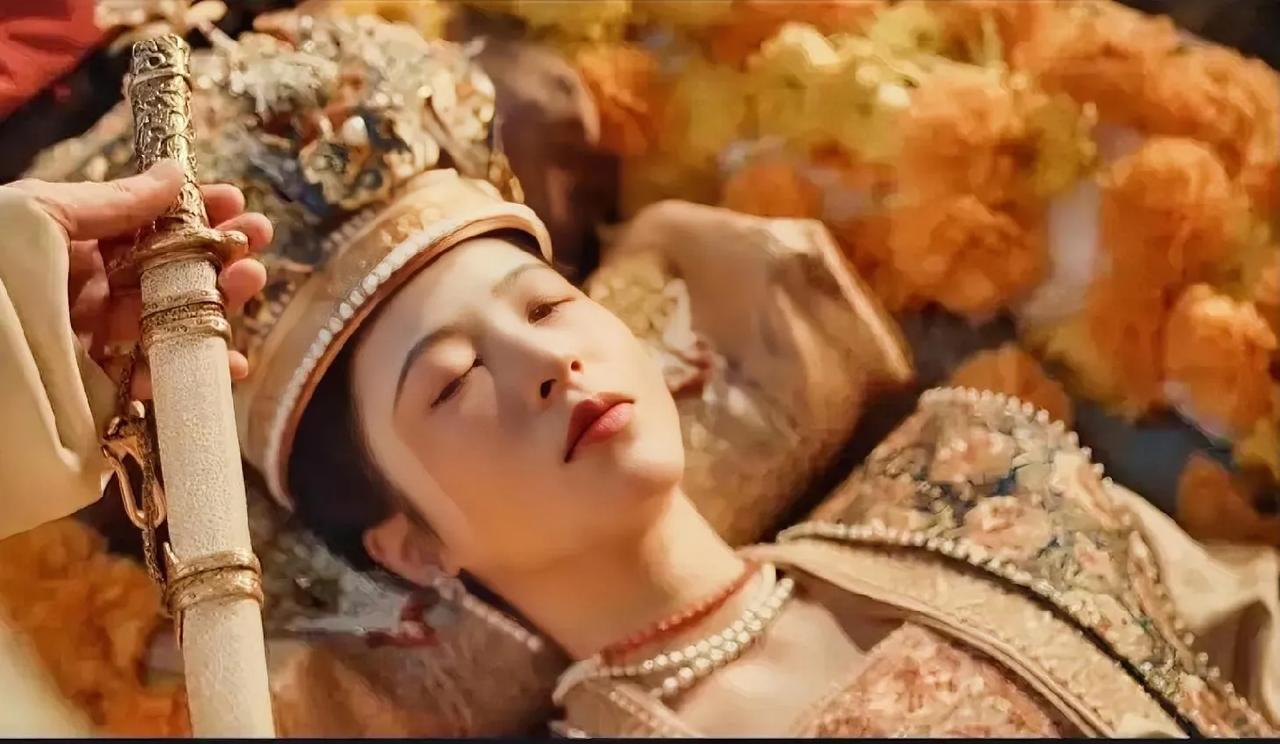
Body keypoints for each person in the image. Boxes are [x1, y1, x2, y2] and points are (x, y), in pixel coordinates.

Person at [4, 11, 1278, 739]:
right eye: (451, 380)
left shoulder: (975, 471)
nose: (541, 361)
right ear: (410, 546)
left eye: (546, 306)